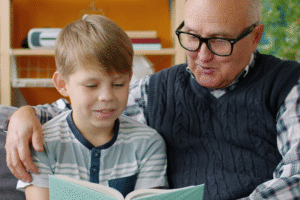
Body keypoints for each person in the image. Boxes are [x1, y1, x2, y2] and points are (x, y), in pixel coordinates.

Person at [4, 0, 300, 199]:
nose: (202, 56)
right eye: (193, 37)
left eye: (220, 40)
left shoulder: (287, 85)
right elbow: (86, 106)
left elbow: (296, 177)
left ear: (256, 36)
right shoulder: (159, 89)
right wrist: (25, 114)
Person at [8, 15, 168, 200]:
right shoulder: (41, 145)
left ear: (130, 79)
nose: (107, 96)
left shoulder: (149, 144)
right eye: (91, 86)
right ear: (62, 84)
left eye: (118, 84)